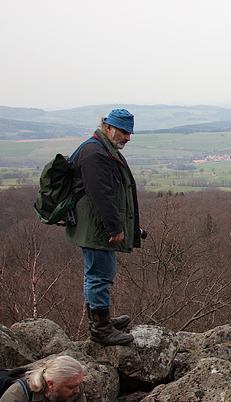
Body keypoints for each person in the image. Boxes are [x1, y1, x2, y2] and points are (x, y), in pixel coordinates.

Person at [66, 109, 141, 346]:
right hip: (96, 228)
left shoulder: (102, 149)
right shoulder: (94, 153)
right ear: (107, 128)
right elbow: (101, 195)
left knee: (99, 274)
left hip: (96, 226)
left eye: (129, 132)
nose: (127, 137)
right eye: (123, 131)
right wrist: (113, 227)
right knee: (99, 276)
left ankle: (102, 320)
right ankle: (101, 329)